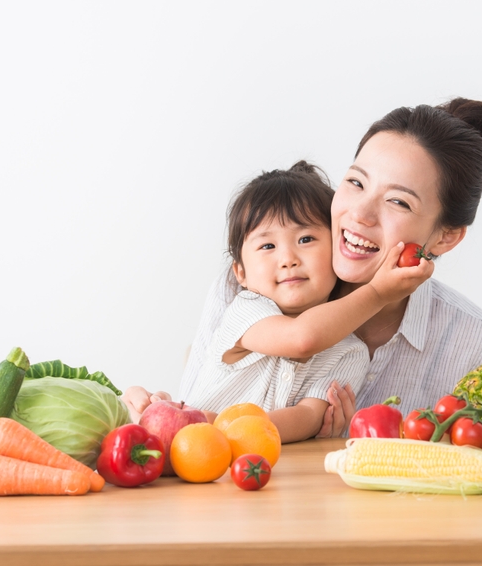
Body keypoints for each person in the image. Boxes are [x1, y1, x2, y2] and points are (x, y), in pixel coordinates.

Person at [127, 97, 482, 437]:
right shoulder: (249, 286)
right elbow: (188, 422)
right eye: (355, 182)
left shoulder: (470, 338)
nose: (359, 214)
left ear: (446, 237)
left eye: (398, 202)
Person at [127, 161, 432, 443]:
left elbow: (309, 415)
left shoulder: (350, 352)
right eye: (268, 245)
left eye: (306, 240)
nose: (288, 259)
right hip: (196, 459)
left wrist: (228, 429)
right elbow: (301, 338)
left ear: (338, 250)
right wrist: (378, 292)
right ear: (241, 272)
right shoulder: (246, 310)